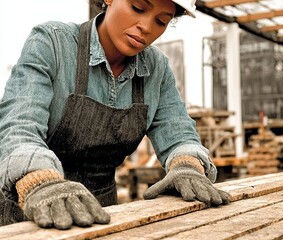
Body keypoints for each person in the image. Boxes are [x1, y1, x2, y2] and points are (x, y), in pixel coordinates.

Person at [0, 0, 231, 230]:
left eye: (161, 21)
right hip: (28, 214)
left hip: (102, 215)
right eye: (138, 8)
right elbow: (18, 126)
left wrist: (187, 165)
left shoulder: (156, 68)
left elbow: (179, 134)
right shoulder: (52, 43)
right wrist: (40, 182)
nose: (146, 26)